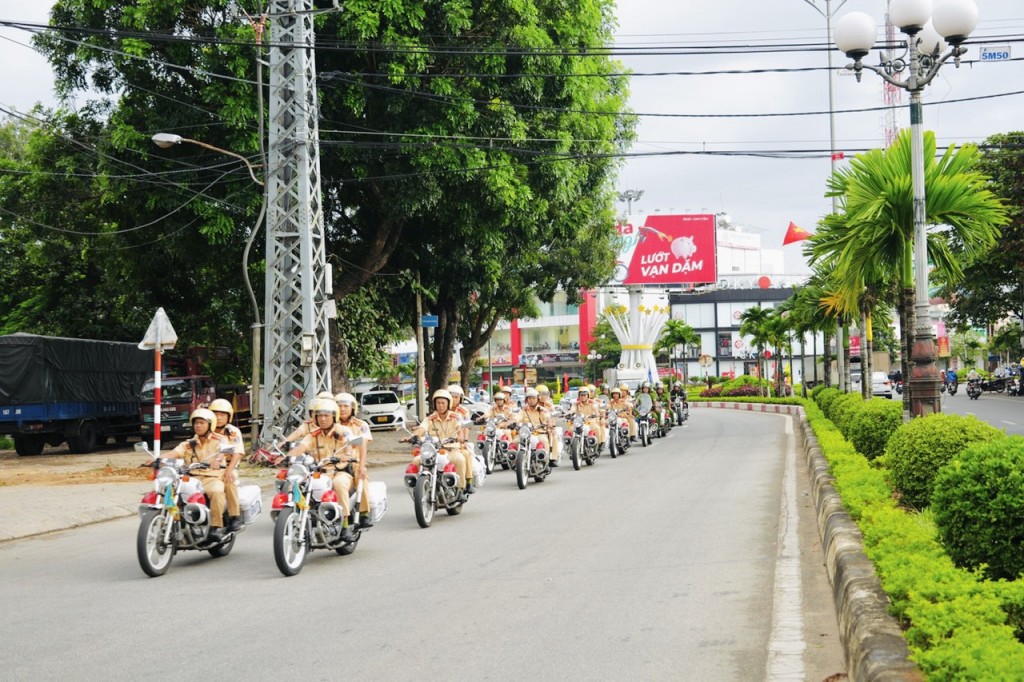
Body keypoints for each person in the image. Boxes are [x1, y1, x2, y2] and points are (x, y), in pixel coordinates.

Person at [287, 398, 358, 542]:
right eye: (320, 416)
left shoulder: (343, 431)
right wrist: (286, 457)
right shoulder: (313, 434)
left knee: (339, 484)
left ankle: (344, 526)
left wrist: (347, 455)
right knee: (298, 484)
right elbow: (301, 447)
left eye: (326, 415)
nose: (323, 419)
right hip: (318, 473)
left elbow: (349, 444)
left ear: (334, 416)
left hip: (339, 472)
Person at [169, 408, 232, 541]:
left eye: (202, 423)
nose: (198, 426)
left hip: (212, 477)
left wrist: (218, 459)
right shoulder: (188, 444)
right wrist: (157, 459)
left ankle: (216, 527)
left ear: (210, 425)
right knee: (172, 491)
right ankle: (173, 522)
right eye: (196, 423)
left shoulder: (219, 440)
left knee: (216, 491)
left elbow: (225, 449)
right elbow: (174, 453)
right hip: (192, 478)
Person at [406, 389, 471, 497]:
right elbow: (422, 428)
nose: (440, 406)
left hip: (450, 449)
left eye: (443, 403)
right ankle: (417, 489)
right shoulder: (430, 418)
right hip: (433, 450)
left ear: (448, 404)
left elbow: (460, 428)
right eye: (438, 403)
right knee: (416, 460)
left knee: (460, 459)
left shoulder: (456, 417)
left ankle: (460, 489)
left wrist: (460, 436)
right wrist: (411, 436)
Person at [335, 392, 373, 526]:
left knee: (361, 477)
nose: (343, 409)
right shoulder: (330, 425)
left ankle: (363, 514)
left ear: (353, 408)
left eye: (346, 406)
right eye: (339, 406)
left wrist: (362, 465)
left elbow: (363, 445)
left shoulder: (361, 425)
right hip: (333, 464)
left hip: (354, 463)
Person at [209, 398, 244, 532]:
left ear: (228, 416)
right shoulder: (205, 428)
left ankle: (234, 517)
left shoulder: (233, 432)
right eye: (215, 414)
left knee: (230, 481)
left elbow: (238, 452)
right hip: (207, 468)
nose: (218, 418)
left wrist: (229, 470)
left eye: (222, 415)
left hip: (228, 466)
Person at [517, 387, 557, 466]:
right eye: (529, 398)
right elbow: (517, 417)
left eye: (533, 398)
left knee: (544, 440)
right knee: (515, 441)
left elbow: (547, 417)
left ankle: (547, 460)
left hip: (540, 432)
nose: (531, 400)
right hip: (527, 433)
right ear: (526, 400)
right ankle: (515, 460)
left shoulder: (542, 410)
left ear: (537, 399)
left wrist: (549, 422)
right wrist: (513, 422)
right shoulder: (523, 410)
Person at [447, 384, 476, 492]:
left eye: (456, 397)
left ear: (461, 398)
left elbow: (466, 427)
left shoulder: (464, 412)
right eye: (451, 397)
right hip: (444, 441)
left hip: (459, 441)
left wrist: (465, 441)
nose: (454, 399)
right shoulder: (442, 409)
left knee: (466, 453)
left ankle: (468, 482)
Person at [570, 384, 606, 452]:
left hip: (590, 422)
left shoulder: (594, 402)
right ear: (579, 396)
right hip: (579, 422)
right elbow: (572, 409)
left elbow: (597, 409)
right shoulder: (576, 404)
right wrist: (568, 413)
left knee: (597, 428)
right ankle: (572, 446)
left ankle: (598, 446)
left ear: (588, 395)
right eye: (581, 395)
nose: (583, 397)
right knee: (570, 429)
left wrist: (598, 414)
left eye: (584, 395)